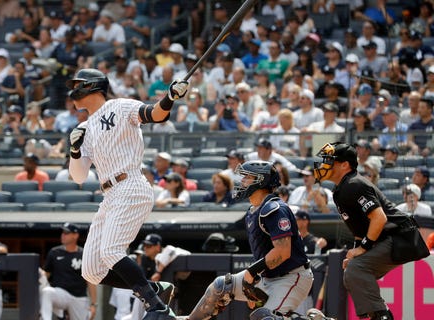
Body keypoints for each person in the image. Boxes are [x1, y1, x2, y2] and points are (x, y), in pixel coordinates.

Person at [66, 68, 188, 319]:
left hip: (130, 183)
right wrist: (75, 151)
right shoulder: (84, 127)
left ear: (92, 86)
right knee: (91, 271)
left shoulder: (119, 106)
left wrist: (170, 97)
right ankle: (154, 289)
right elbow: (78, 177)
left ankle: (156, 306)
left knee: (111, 251)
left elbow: (155, 114)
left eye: (78, 84)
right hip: (109, 194)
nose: (73, 89)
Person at [182, 160, 313, 320]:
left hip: (291, 277)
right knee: (221, 286)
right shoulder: (253, 210)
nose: (242, 181)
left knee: (265, 317)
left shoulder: (275, 209)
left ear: (261, 181)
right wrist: (251, 283)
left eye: (247, 177)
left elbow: (283, 251)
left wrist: (251, 272)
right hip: (266, 277)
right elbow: (261, 252)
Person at [313, 142, 416, 319]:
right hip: (388, 237)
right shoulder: (342, 187)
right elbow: (360, 230)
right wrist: (356, 250)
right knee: (352, 273)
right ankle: (380, 314)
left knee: (355, 270)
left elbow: (379, 218)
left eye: (329, 161)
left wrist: (363, 248)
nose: (323, 165)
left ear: (344, 165)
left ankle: (381, 316)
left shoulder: (353, 184)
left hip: (400, 237)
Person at [40, 223, 97, 320]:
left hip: (79, 297)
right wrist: (38, 274)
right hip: (61, 294)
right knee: (47, 292)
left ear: (75, 235)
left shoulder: (84, 254)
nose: (63, 235)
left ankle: (62, 315)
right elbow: (46, 275)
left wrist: (94, 304)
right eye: (62, 233)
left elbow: (90, 281)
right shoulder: (54, 252)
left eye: (67, 233)